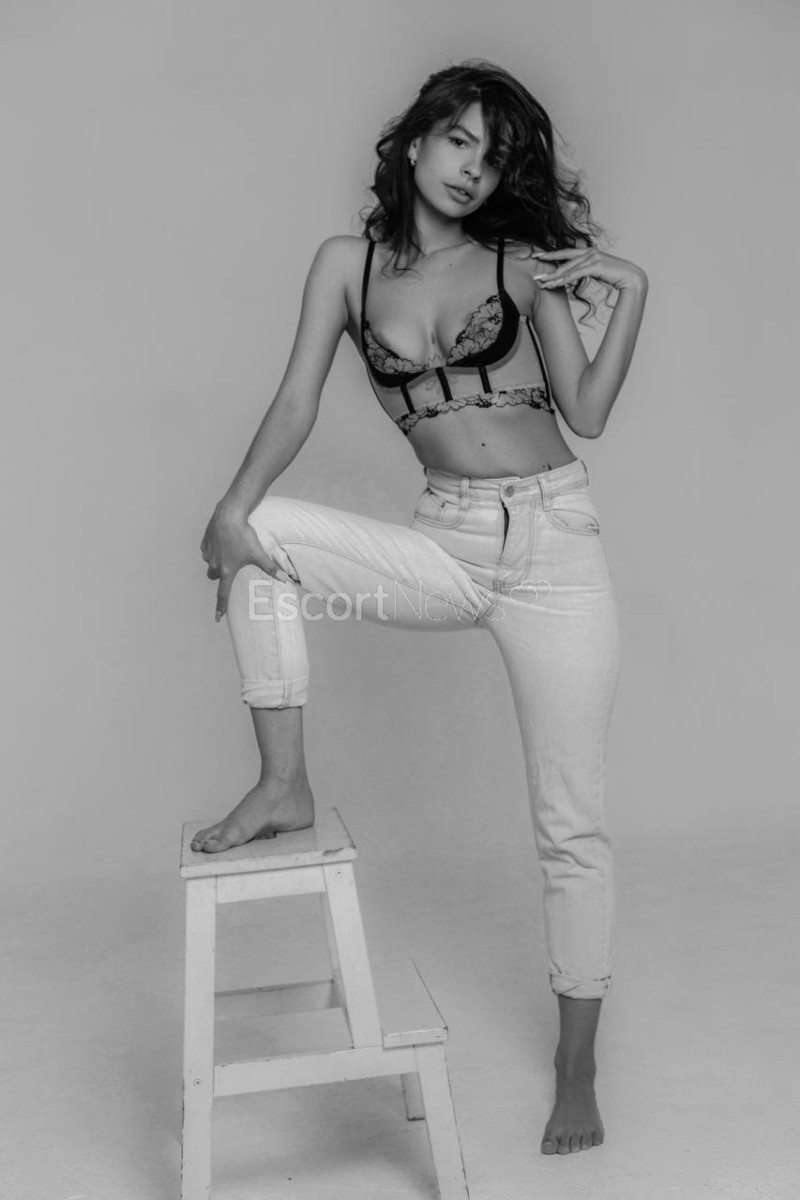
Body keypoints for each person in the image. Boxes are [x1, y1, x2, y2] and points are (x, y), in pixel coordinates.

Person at [194, 59, 648, 1156]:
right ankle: (284, 783)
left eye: (494, 157)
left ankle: (575, 1067)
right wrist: (231, 504)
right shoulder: (343, 267)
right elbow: (297, 397)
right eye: (458, 141)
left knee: (570, 823)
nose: (471, 169)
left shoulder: (519, 265)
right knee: (255, 535)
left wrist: (630, 292)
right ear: (412, 141)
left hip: (555, 547)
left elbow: (585, 410)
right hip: (445, 544)